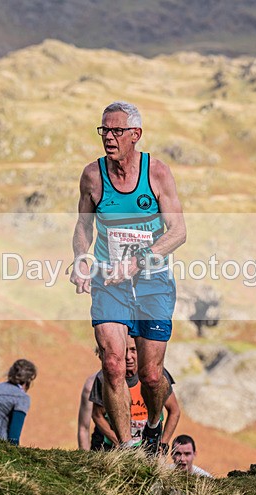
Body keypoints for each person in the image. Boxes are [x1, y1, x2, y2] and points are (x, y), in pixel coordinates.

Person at [70, 101, 187, 455]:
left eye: (116, 130)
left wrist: (138, 263)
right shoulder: (93, 176)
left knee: (152, 376)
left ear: (135, 135)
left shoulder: (157, 173)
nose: (108, 136)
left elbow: (178, 231)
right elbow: (83, 226)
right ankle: (126, 450)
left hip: (152, 283)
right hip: (110, 283)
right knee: (112, 363)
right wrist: (80, 258)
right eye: (104, 130)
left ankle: (152, 426)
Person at [89, 336, 181, 451]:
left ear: (141, 350)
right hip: (115, 449)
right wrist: (120, 443)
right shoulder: (104, 378)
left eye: (133, 350)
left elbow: (174, 411)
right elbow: (97, 415)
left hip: (149, 449)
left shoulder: (155, 375)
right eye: (124, 350)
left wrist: (163, 444)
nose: (128, 357)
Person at [77, 347, 106, 451]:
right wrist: (85, 460)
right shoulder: (91, 385)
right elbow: (84, 428)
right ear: (100, 356)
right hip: (102, 445)